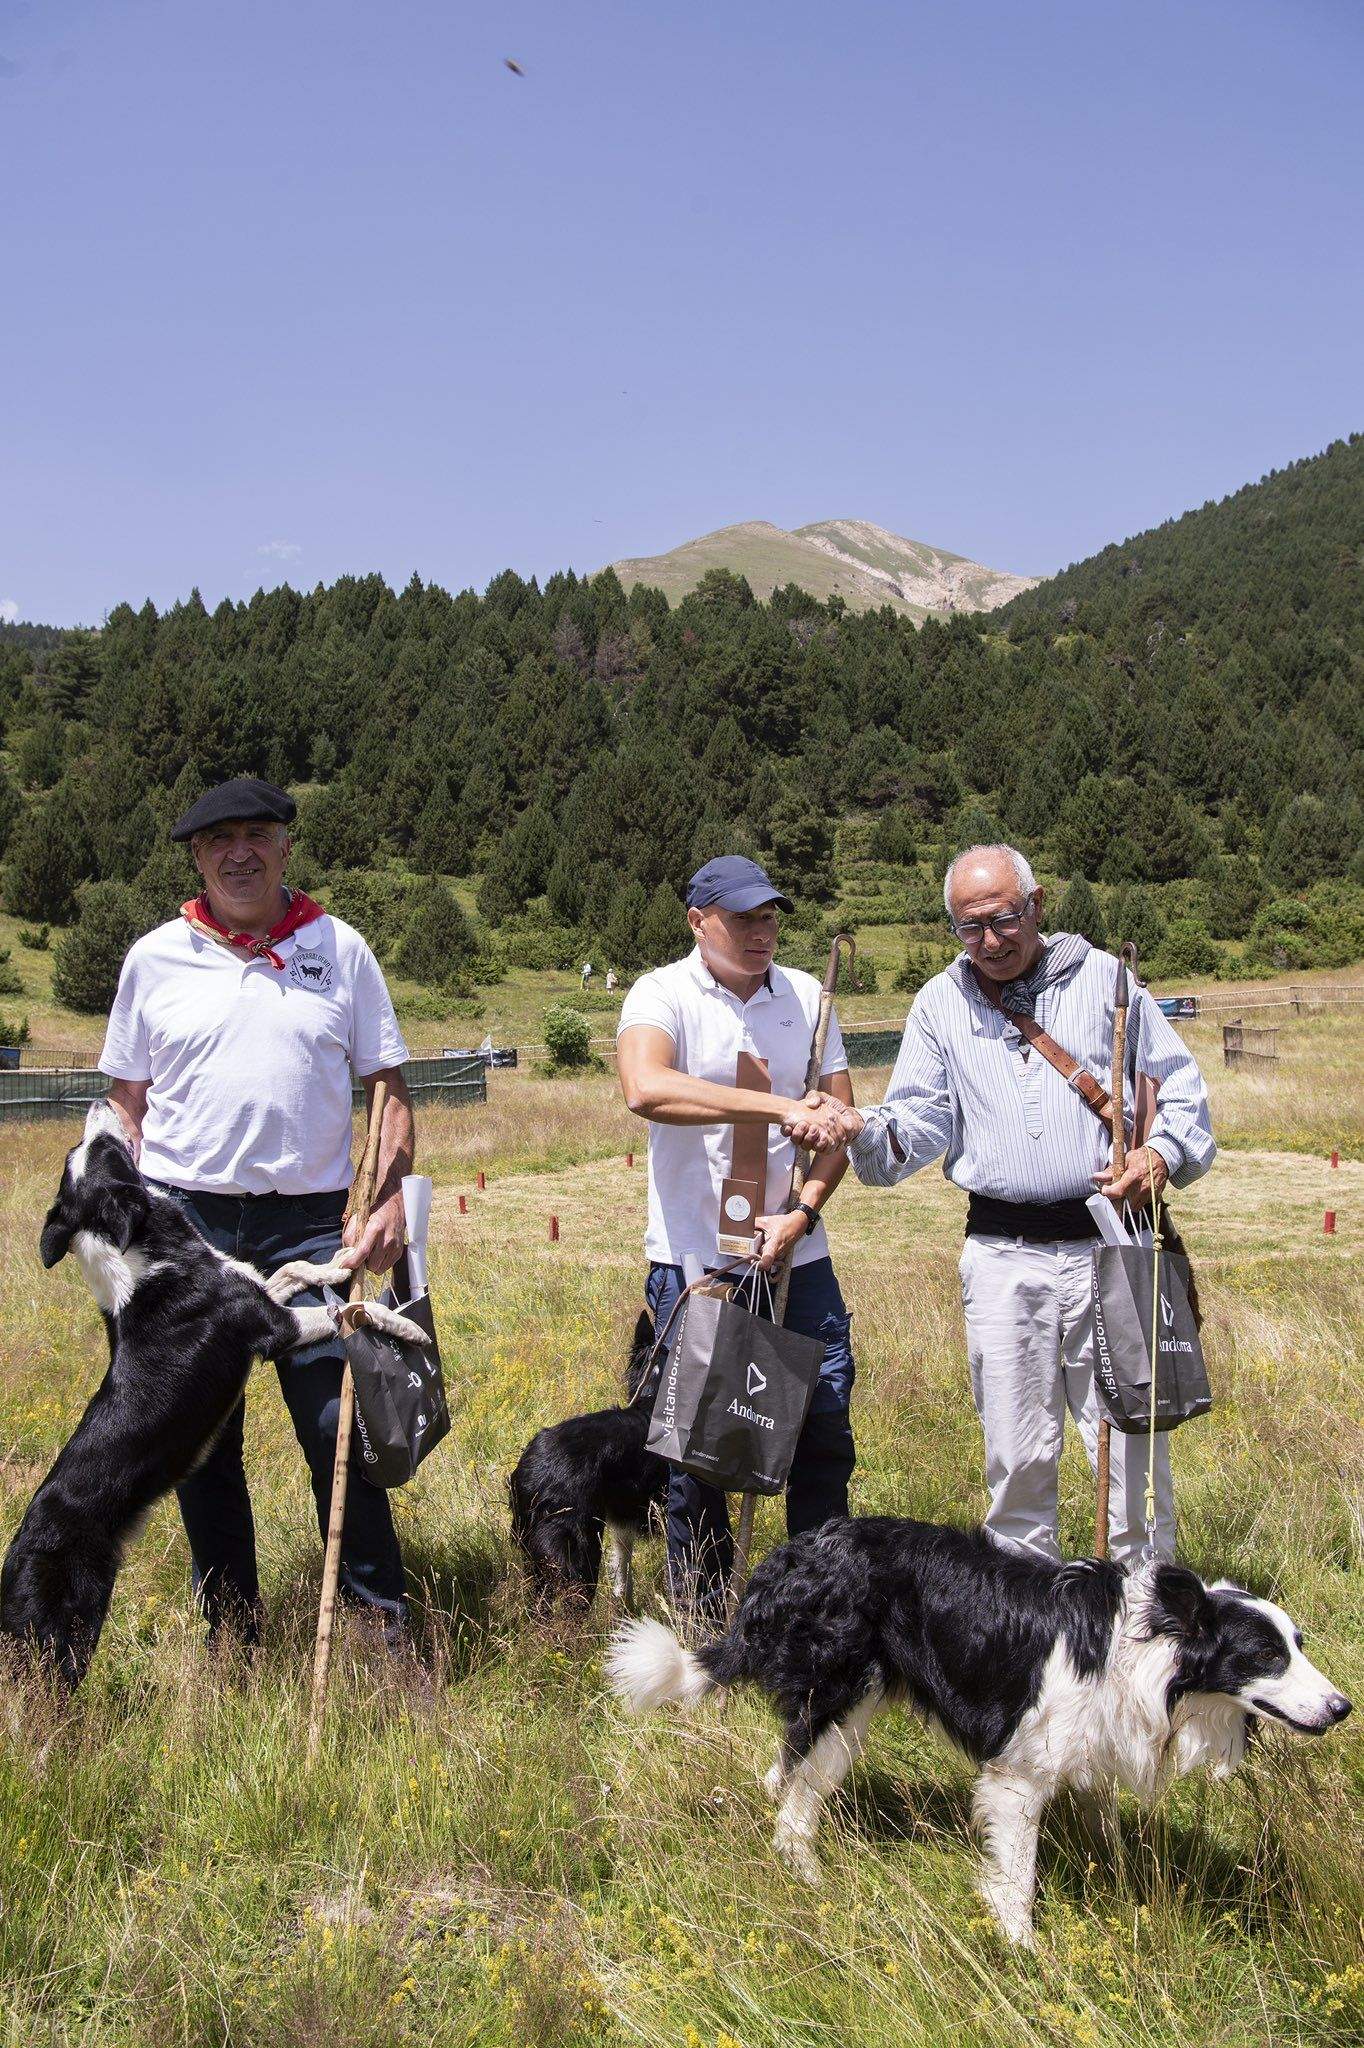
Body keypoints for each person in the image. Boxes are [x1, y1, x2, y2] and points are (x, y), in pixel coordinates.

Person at [787, 843, 1215, 1565]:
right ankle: (1030, 1643)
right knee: (1016, 1460)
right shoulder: (940, 1003)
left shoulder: (1108, 982)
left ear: (1037, 905)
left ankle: (1147, 1625)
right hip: (1001, 1259)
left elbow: (1182, 1088)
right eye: (969, 927)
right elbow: (920, 1123)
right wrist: (865, 1124)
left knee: (1130, 1459)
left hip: (1111, 1248)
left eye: (1003, 919)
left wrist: (1158, 1154)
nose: (989, 941)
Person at [98, 776, 416, 1647]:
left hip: (314, 1228)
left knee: (336, 1430)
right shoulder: (154, 957)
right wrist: (107, 1186)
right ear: (197, 858)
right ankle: (232, 1635)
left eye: (257, 835)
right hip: (184, 1232)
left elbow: (388, 1085)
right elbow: (126, 1098)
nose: (239, 852)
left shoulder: (338, 948)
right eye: (218, 840)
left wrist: (388, 1198)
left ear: (284, 845)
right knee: (199, 1445)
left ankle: (376, 1630)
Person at [615, 854, 858, 1617]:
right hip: (696, 1258)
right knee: (700, 1445)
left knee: (821, 1424)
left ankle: (816, 1606)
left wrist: (804, 1211)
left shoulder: (809, 999)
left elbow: (841, 1127)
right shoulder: (661, 993)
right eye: (743, 917)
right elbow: (645, 1088)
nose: (762, 932)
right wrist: (775, 1108)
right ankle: (703, 1609)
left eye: (771, 916)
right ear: (698, 921)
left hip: (797, 1254)